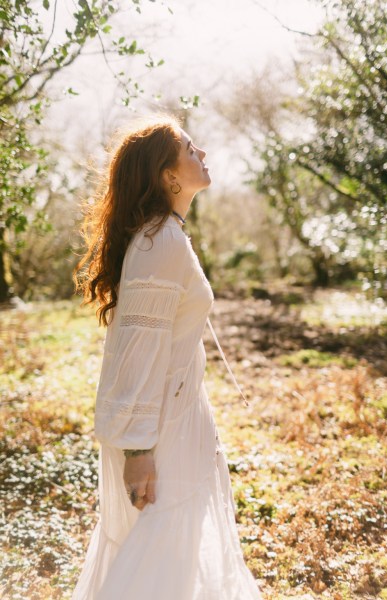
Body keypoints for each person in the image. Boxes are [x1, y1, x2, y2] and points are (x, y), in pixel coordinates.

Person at [72, 115, 262, 600]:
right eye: (191, 148)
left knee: (177, 549)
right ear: (167, 175)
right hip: (161, 428)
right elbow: (137, 351)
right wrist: (138, 451)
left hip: (178, 414)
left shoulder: (167, 235)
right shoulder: (160, 242)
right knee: (162, 550)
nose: (204, 154)